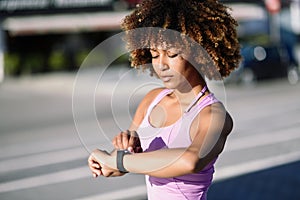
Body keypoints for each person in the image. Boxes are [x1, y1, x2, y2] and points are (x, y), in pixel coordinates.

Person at [88, 0, 241, 199]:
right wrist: (111, 159)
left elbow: (190, 160)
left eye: (171, 54)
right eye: (154, 54)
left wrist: (117, 161)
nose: (161, 65)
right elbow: (124, 164)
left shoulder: (213, 115)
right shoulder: (152, 100)